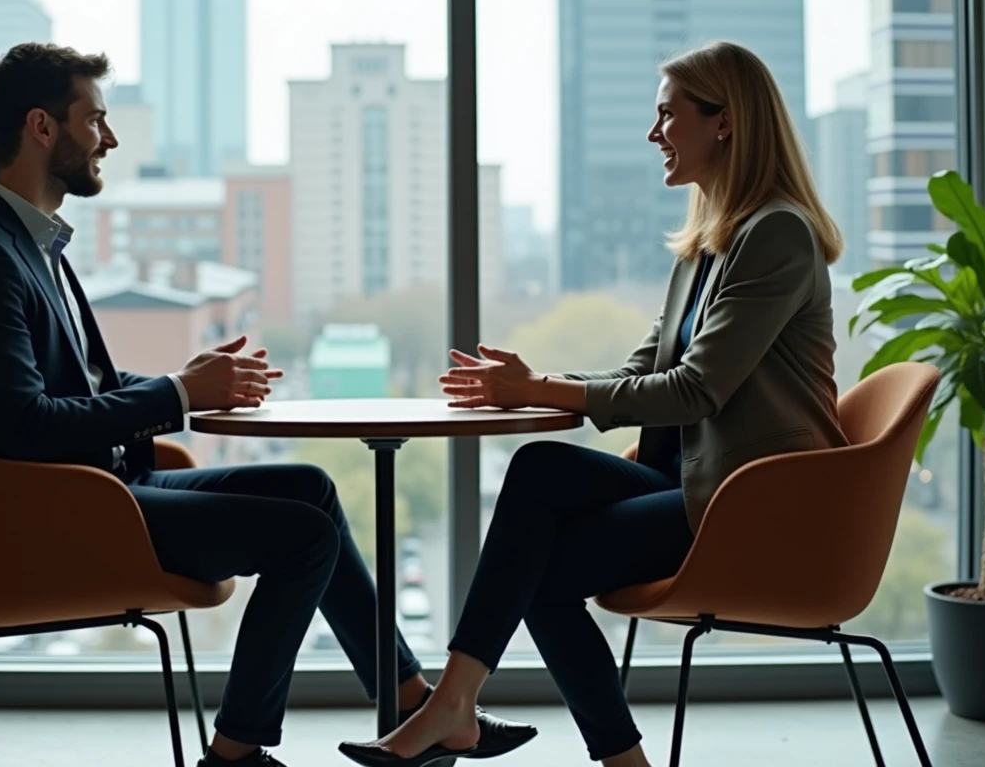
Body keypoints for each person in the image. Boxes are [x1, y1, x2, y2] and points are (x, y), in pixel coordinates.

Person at [0, 43, 530, 767]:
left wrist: (194, 382)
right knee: (302, 538)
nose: (108, 139)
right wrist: (178, 394)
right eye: (96, 120)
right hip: (54, 516)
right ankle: (235, 757)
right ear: (42, 128)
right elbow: (26, 425)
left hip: (99, 491)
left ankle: (414, 702)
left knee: (310, 491)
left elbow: (73, 393)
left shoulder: (31, 245)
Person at [339, 40, 850, 767]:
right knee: (540, 470)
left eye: (668, 115)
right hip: (693, 480)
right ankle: (462, 708)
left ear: (725, 122)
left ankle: (468, 711)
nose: (654, 134)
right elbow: (648, 366)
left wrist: (539, 391)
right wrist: (532, 384)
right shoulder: (710, 244)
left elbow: (697, 388)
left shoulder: (777, 235)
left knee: (542, 568)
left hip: (752, 501)